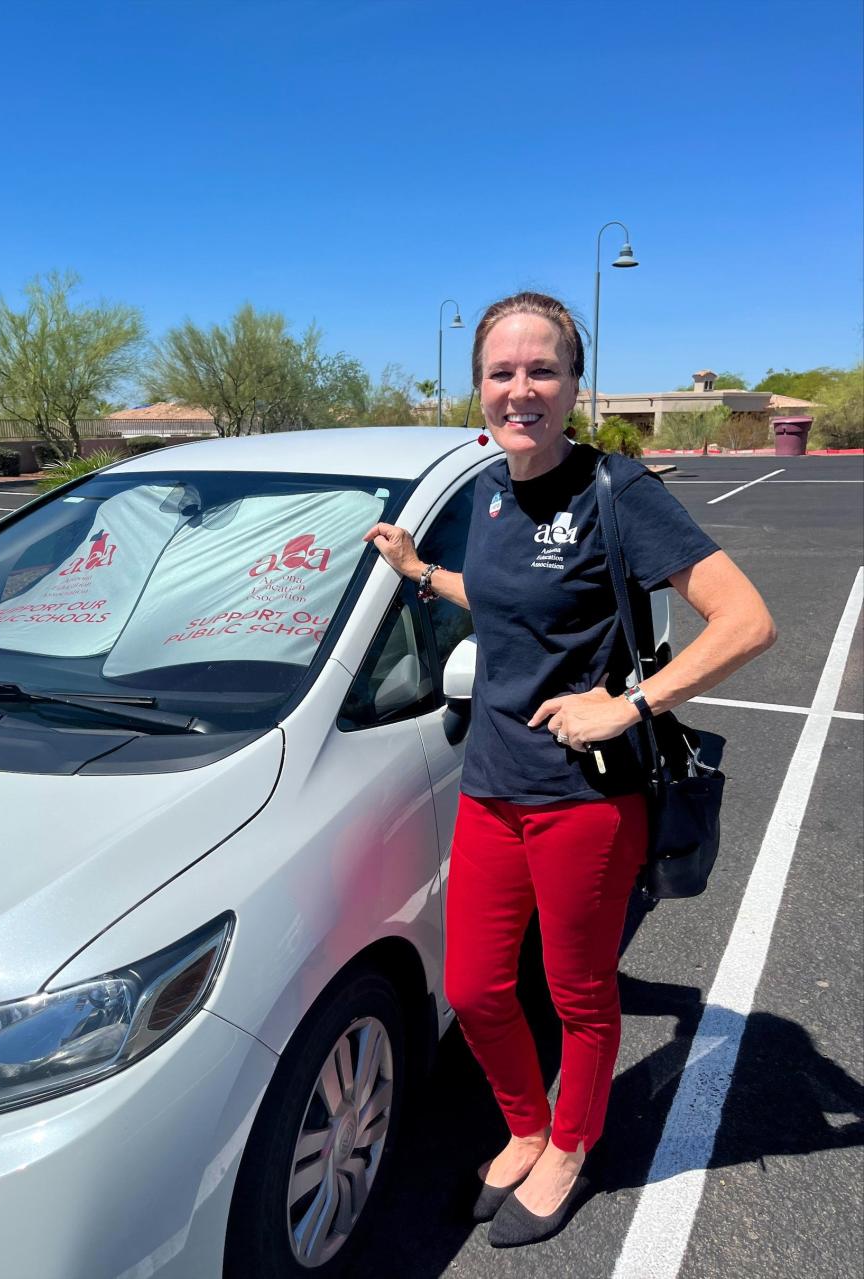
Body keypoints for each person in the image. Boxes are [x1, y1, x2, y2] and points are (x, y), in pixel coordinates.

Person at [362, 292, 776, 1248]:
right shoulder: (488, 490)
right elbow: (506, 599)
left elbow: (748, 620)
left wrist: (626, 703)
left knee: (579, 991)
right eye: (501, 373)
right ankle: (524, 1122)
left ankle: (570, 1146)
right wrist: (423, 572)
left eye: (541, 370)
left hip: (585, 798)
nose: (521, 389)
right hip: (491, 785)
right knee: (472, 987)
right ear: (479, 388)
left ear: (574, 384)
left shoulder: (617, 491)